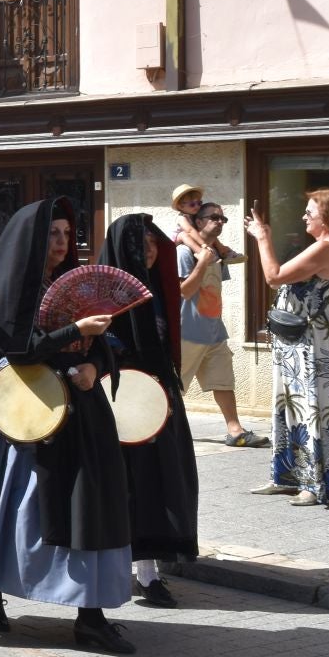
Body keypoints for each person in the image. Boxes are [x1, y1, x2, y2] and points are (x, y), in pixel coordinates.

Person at [0, 197, 135, 655]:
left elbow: (104, 342)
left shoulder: (72, 284)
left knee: (89, 501)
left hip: (80, 405)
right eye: (51, 234)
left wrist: (95, 366)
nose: (61, 243)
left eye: (65, 234)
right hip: (21, 405)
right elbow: (19, 349)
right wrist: (74, 329)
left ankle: (90, 613)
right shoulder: (13, 288)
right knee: (6, 505)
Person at [100, 214, 200, 608]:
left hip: (161, 398)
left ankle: (148, 569)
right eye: (139, 244)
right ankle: (134, 571)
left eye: (154, 243)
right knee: (129, 487)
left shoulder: (159, 285)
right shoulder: (105, 291)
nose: (149, 251)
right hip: (120, 400)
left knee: (163, 482)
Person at [244, 187, 329, 508]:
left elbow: (273, 276)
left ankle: (313, 484)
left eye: (310, 211)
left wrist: (262, 236)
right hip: (297, 340)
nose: (304, 216)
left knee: (310, 406)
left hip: (309, 342)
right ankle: (286, 476)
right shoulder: (322, 246)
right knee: (289, 404)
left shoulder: (326, 248)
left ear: (327, 217)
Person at [178, 202, 267, 447]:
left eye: (223, 218)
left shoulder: (217, 253)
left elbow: (214, 290)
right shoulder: (184, 253)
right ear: (197, 221)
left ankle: (235, 430)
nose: (219, 222)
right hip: (188, 332)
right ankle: (162, 428)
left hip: (214, 330)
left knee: (223, 381)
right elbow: (183, 291)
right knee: (173, 387)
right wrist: (202, 262)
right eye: (214, 217)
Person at [170, 184, 242, 263]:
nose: (197, 206)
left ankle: (223, 251)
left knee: (211, 233)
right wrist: (203, 244)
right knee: (184, 235)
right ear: (180, 206)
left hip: (190, 236)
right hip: (177, 240)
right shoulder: (182, 218)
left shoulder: (193, 216)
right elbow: (190, 230)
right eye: (192, 204)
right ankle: (201, 253)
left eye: (199, 203)